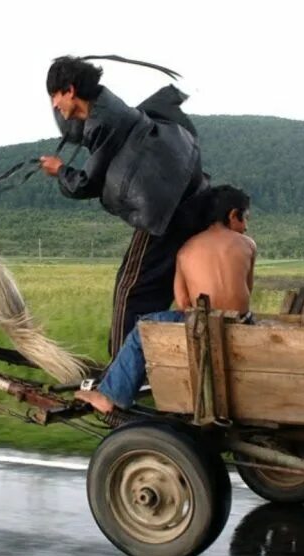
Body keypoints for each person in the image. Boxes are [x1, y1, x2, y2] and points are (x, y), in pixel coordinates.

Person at [39, 56, 210, 357]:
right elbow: (79, 132)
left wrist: (60, 170)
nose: (54, 105)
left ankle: (120, 377)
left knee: (130, 290)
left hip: (163, 208)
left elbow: (85, 184)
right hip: (183, 200)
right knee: (157, 289)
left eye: (55, 95)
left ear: (70, 90)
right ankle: (151, 362)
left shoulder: (105, 122)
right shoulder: (106, 106)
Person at [75, 185, 255, 413]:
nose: (246, 226)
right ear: (232, 215)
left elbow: (182, 303)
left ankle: (110, 395)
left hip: (204, 325)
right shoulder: (248, 245)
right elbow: (246, 290)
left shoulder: (185, 250)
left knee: (143, 329)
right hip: (240, 324)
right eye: (245, 218)